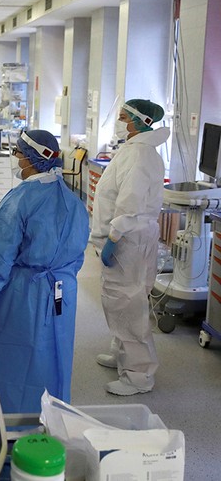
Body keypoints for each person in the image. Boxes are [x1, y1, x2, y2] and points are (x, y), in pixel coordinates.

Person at [0, 130, 89, 414]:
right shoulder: (74, 202)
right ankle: (52, 423)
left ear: (31, 158)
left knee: (14, 363)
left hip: (24, 296)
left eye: (18, 153)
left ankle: (11, 429)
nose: (16, 159)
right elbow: (76, 258)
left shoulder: (19, 200)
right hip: (62, 294)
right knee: (53, 359)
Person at [91, 99, 169, 396]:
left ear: (140, 121)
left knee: (128, 304)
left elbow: (130, 206)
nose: (119, 121)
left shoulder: (139, 155)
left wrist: (112, 240)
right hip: (129, 238)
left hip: (128, 240)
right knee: (120, 301)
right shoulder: (135, 149)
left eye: (123, 117)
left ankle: (138, 375)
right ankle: (121, 351)